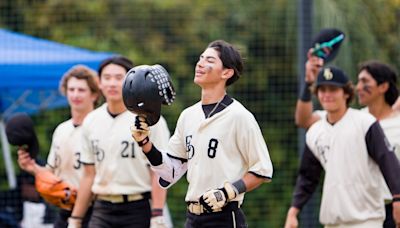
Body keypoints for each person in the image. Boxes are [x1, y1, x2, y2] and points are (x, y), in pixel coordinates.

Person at [131, 40, 273, 227]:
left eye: (210, 60)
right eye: (201, 58)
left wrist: (227, 192)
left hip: (224, 217)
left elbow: (262, 170)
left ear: (226, 72)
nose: (200, 63)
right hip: (192, 217)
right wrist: (145, 143)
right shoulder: (188, 115)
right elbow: (170, 171)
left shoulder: (239, 116)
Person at [284, 66, 400, 228]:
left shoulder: (365, 123)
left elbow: (387, 160)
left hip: (367, 220)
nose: (327, 95)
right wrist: (293, 211)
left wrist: (397, 198)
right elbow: (307, 177)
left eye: (333, 89)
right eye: (322, 89)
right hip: (332, 222)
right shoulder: (315, 132)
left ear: (346, 93)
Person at [68, 56, 170, 228]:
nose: (112, 83)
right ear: (99, 83)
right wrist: (76, 219)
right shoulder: (91, 121)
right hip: (101, 209)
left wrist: (157, 214)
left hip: (138, 208)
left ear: (130, 81)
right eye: (106, 78)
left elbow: (159, 171)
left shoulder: (149, 119)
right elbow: (88, 175)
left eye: (118, 78)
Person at [17, 64, 101, 227]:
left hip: (96, 211)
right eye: (71, 89)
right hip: (65, 209)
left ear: (94, 95)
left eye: (81, 90)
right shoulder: (61, 130)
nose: (75, 94)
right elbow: (51, 173)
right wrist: (32, 168)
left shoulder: (100, 128)